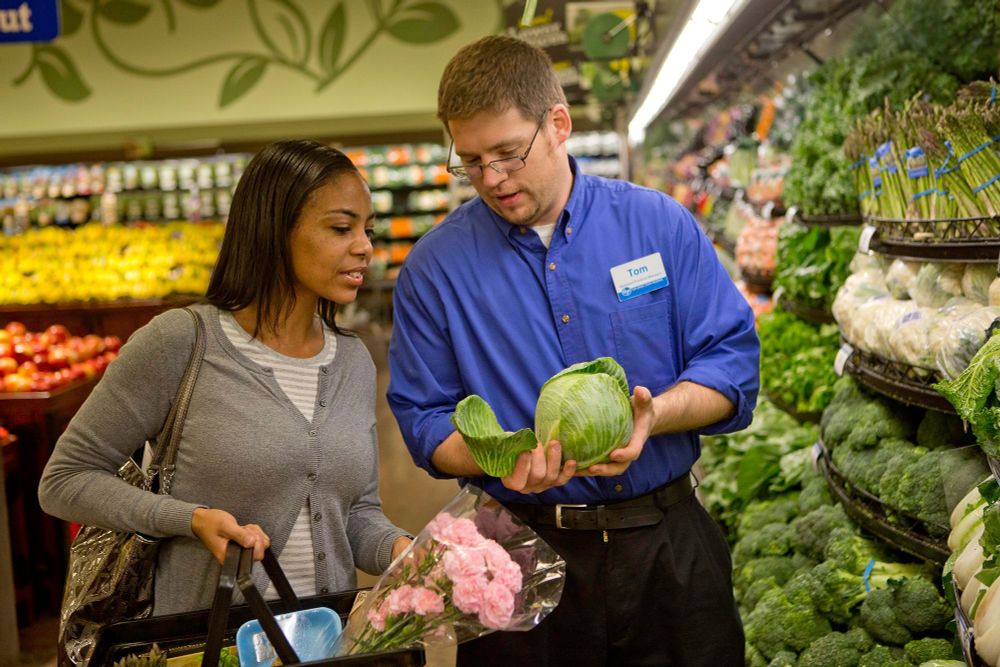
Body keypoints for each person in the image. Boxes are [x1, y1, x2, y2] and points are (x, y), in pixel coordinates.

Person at [387, 36, 759, 666]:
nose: (492, 180)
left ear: (557, 124)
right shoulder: (433, 269)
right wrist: (498, 459)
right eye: (472, 162)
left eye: (508, 153)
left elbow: (732, 364)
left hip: (666, 547)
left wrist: (656, 415)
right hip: (519, 561)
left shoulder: (658, 225)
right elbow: (424, 417)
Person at [40, 139, 411, 616]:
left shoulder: (354, 362)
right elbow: (65, 479)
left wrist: (405, 550)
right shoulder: (182, 342)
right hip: (207, 645)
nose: (365, 247)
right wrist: (187, 519)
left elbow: (356, 515)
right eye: (341, 228)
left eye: (368, 229)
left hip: (325, 641)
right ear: (275, 230)